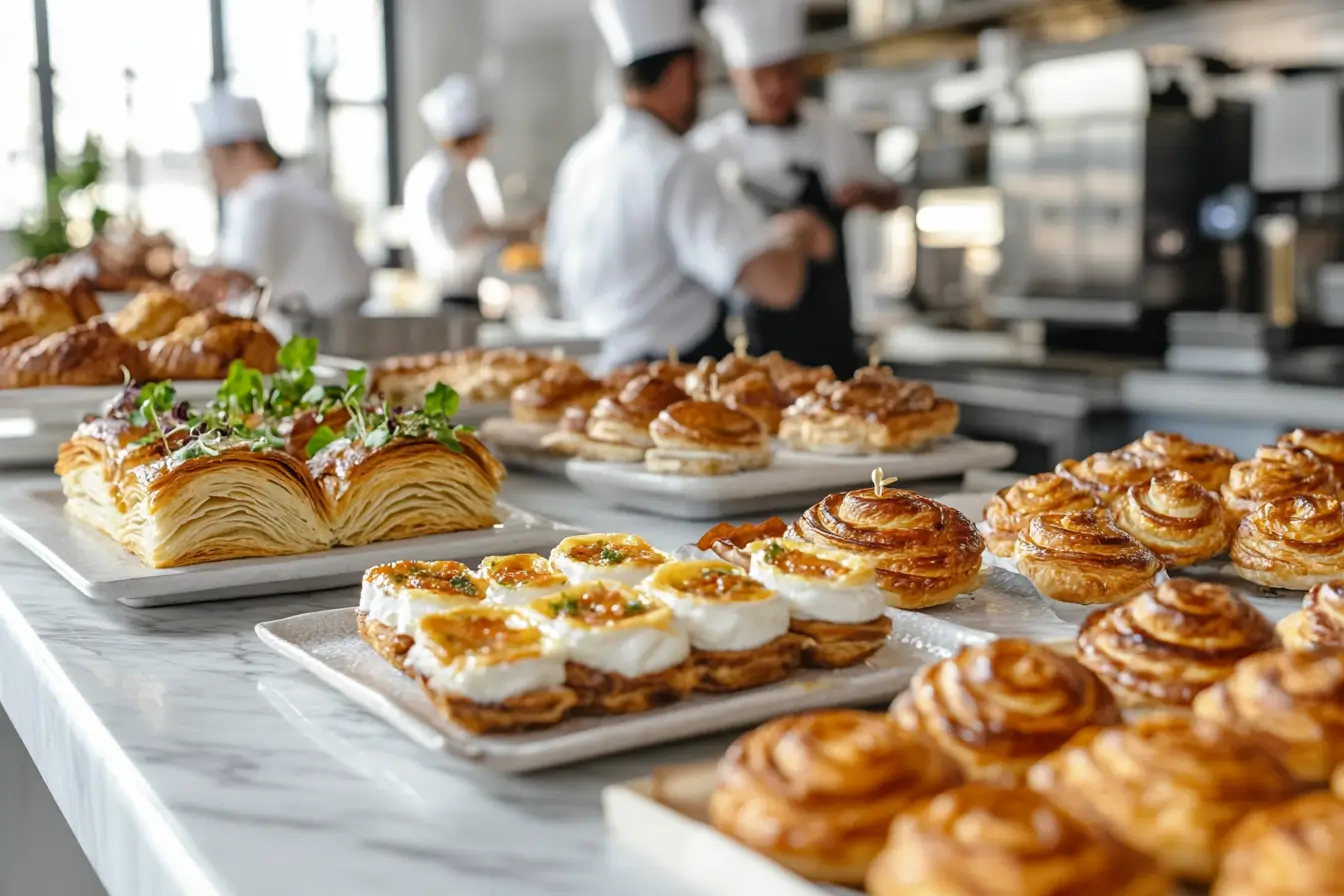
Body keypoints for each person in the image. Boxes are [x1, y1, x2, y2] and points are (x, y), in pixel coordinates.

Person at [545, 0, 835, 372]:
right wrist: (795, 233)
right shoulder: (675, 162)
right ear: (682, 71)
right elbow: (778, 285)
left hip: (596, 378)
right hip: (664, 387)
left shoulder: (581, 158)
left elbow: (557, 269)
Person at [693, 0, 903, 377]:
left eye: (786, 73)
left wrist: (867, 196)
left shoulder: (833, 131)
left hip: (830, 333)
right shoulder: (708, 150)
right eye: (761, 76)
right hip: (747, 338)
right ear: (736, 76)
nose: (776, 88)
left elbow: (892, 196)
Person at [190, 90, 370, 319]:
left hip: (311, 332)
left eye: (212, 159)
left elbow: (240, 278)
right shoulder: (299, 181)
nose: (211, 173)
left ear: (245, 148)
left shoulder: (264, 195)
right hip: (345, 319)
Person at [404, 75, 534, 312]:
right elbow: (461, 234)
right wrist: (522, 228)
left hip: (456, 293)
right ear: (472, 137)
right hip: (454, 299)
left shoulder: (438, 170)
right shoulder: (445, 176)